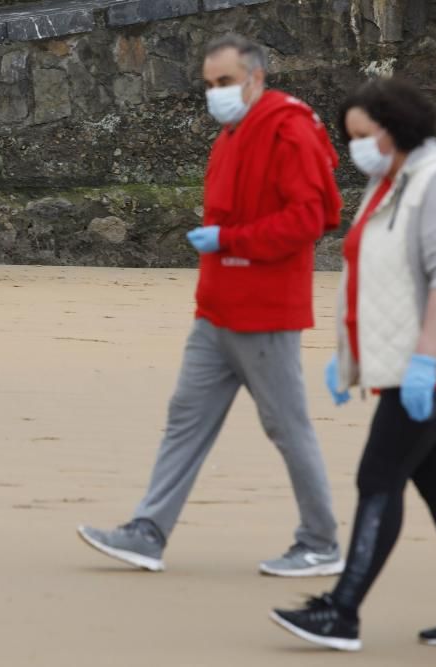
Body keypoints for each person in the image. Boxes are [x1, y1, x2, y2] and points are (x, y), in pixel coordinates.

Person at [77, 34, 343, 576]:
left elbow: (311, 218)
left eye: (224, 83)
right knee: (185, 419)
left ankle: (320, 542)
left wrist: (232, 241)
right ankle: (148, 531)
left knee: (287, 427)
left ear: (256, 78)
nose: (215, 93)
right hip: (217, 307)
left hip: (265, 310)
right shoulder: (233, 130)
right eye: (209, 84)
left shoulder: (290, 127)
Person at [270, 78, 436, 651]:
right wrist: (349, 359)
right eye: (349, 137)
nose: (355, 147)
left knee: (378, 478)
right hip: (410, 361)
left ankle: (341, 612)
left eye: (364, 135)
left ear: (398, 126)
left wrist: (425, 364)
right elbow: (374, 276)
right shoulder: (391, 181)